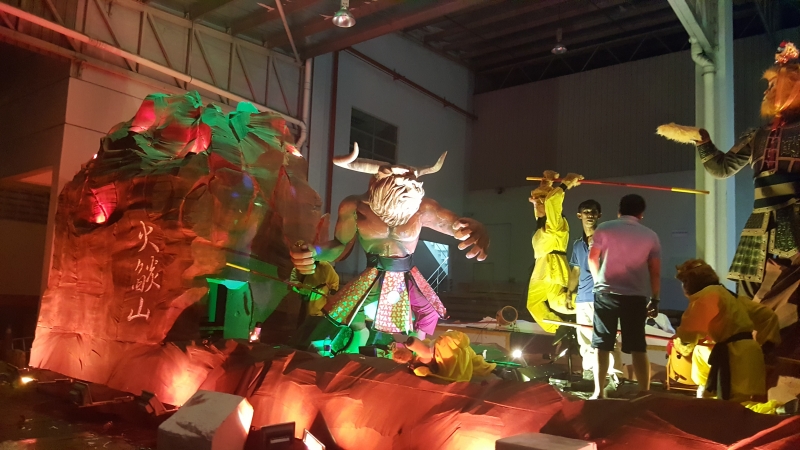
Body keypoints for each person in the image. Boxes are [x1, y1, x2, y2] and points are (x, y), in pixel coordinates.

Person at [290, 144, 489, 353]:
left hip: (407, 276)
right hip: (372, 277)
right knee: (346, 313)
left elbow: (457, 226)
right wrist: (314, 253)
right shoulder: (354, 206)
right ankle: (353, 348)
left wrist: (477, 229)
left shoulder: (421, 207)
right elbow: (340, 245)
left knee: (426, 314)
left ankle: (414, 355)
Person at [657, 41, 800, 312]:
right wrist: (702, 140)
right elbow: (721, 168)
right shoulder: (757, 135)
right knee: (750, 304)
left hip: (795, 227)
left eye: (773, 85)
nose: (766, 92)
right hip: (758, 230)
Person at [588, 194, 660, 399]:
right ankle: (644, 391)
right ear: (641, 214)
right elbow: (655, 270)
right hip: (635, 296)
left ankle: (598, 392)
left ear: (619, 210)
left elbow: (592, 258)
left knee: (602, 344)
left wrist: (598, 282)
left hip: (606, 294)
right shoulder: (650, 236)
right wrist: (655, 298)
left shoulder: (604, 229)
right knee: (638, 346)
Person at [672, 259, 766, 403]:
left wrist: (679, 344)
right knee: (741, 405)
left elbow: (689, 334)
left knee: (730, 408)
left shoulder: (706, 296)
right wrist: (768, 344)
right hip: (750, 353)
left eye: (684, 282)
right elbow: (767, 316)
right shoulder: (730, 295)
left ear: (689, 283)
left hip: (734, 356)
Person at [568, 199, 623, 382]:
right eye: (586, 212)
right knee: (585, 339)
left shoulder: (607, 240)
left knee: (608, 337)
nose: (590, 215)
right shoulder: (577, 245)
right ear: (579, 215)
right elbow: (576, 270)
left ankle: (614, 376)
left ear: (599, 215)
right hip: (583, 298)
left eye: (593, 212)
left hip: (604, 297)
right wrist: (569, 293)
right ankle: (590, 372)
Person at [526, 170, 584, 334]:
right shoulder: (543, 222)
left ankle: (591, 303)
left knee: (558, 302)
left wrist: (566, 184)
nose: (536, 205)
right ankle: (558, 328)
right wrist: (546, 183)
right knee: (533, 303)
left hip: (552, 267)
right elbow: (542, 208)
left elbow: (552, 200)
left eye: (539, 203)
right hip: (541, 269)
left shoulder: (555, 222)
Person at [391, 331, 496, 382]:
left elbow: (430, 376)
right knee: (474, 360)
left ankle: (492, 370)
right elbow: (463, 340)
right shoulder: (418, 365)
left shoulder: (417, 366)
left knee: (474, 361)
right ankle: (492, 370)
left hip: (456, 369)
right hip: (457, 359)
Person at [289, 260, 339, 327]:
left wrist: (332, 293)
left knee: (319, 317)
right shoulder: (298, 267)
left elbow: (334, 280)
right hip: (306, 296)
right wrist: (300, 287)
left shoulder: (324, 265)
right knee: (306, 319)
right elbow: (293, 281)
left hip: (321, 296)